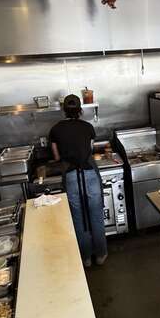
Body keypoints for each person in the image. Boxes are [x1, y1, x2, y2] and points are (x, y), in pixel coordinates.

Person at [49, 95, 108, 267]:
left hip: (71, 175)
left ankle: (86, 258)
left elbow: (57, 156)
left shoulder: (55, 130)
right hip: (89, 173)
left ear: (64, 110)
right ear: (80, 110)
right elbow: (89, 150)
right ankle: (101, 255)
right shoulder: (88, 127)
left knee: (78, 218)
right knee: (96, 215)